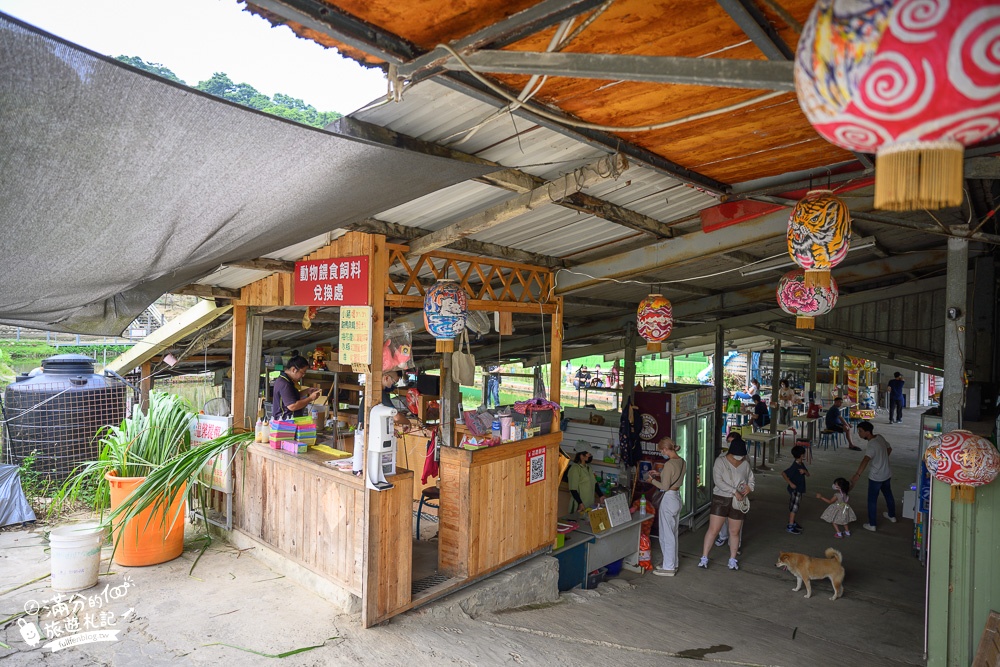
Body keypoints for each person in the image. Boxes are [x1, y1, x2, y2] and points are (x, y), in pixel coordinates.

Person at [699, 435, 754, 571]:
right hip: (721, 498)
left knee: (734, 531)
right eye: (738, 456)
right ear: (730, 453)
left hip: (738, 501)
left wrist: (749, 487)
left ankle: (732, 559)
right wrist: (733, 491)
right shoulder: (720, 462)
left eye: (742, 456)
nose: (739, 458)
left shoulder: (745, 464)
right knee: (714, 529)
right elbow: (718, 481)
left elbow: (751, 480)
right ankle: (704, 557)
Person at [647, 437, 685, 576]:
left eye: (661, 450)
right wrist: (660, 474)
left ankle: (668, 567)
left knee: (666, 535)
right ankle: (672, 563)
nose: (661, 453)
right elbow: (674, 477)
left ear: (665, 449)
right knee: (673, 533)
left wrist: (652, 481)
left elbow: (664, 486)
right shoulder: (681, 461)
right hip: (677, 497)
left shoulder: (669, 464)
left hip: (668, 499)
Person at [851, 421, 897, 532]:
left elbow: (866, 459)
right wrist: (882, 459)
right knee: (888, 494)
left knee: (872, 500)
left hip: (876, 477)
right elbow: (889, 449)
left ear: (867, 432)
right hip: (887, 473)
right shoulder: (880, 437)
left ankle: (872, 524)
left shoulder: (871, 445)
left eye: (860, 431)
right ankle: (892, 516)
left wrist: (857, 474)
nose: (859, 433)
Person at [781, 445, 809, 534]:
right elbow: (783, 473)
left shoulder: (801, 464)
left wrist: (805, 472)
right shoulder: (795, 466)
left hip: (799, 489)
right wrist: (790, 483)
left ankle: (792, 522)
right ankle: (790, 525)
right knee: (794, 507)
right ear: (801, 455)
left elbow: (808, 474)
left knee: (794, 506)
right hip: (795, 490)